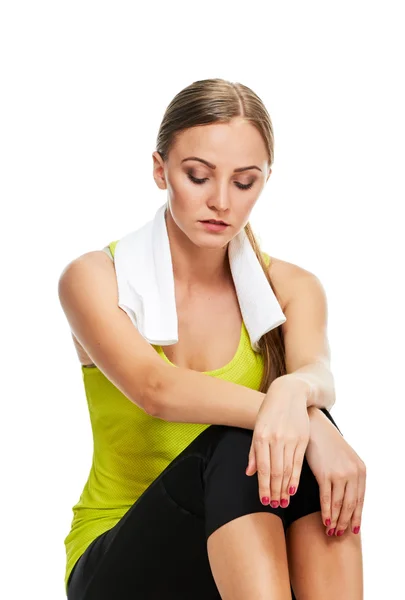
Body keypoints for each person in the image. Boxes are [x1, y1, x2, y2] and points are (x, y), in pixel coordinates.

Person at [59, 78, 366, 599]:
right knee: (248, 437)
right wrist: (305, 423)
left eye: (244, 183)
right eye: (198, 176)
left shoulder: (293, 287)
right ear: (160, 170)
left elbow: (315, 372)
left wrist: (300, 400)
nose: (220, 201)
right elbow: (157, 388)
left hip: (241, 553)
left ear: (266, 181)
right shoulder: (96, 278)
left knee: (288, 436)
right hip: (120, 564)